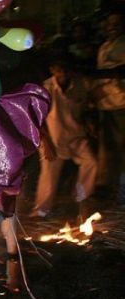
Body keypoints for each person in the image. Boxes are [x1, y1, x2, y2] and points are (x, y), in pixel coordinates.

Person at [32, 60, 97, 218]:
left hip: (76, 136)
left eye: (66, 68)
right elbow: (37, 119)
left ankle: (81, 199)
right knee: (49, 175)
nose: (63, 73)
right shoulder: (46, 88)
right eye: (59, 69)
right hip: (53, 138)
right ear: (53, 70)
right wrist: (46, 143)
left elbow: (86, 108)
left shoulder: (80, 84)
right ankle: (41, 211)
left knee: (91, 162)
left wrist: (90, 123)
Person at [92, 12, 125, 202]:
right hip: (104, 105)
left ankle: (122, 191)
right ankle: (111, 187)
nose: (112, 27)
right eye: (110, 23)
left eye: (116, 23)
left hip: (120, 103)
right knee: (108, 149)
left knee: (121, 148)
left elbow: (119, 74)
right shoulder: (104, 46)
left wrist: (105, 89)